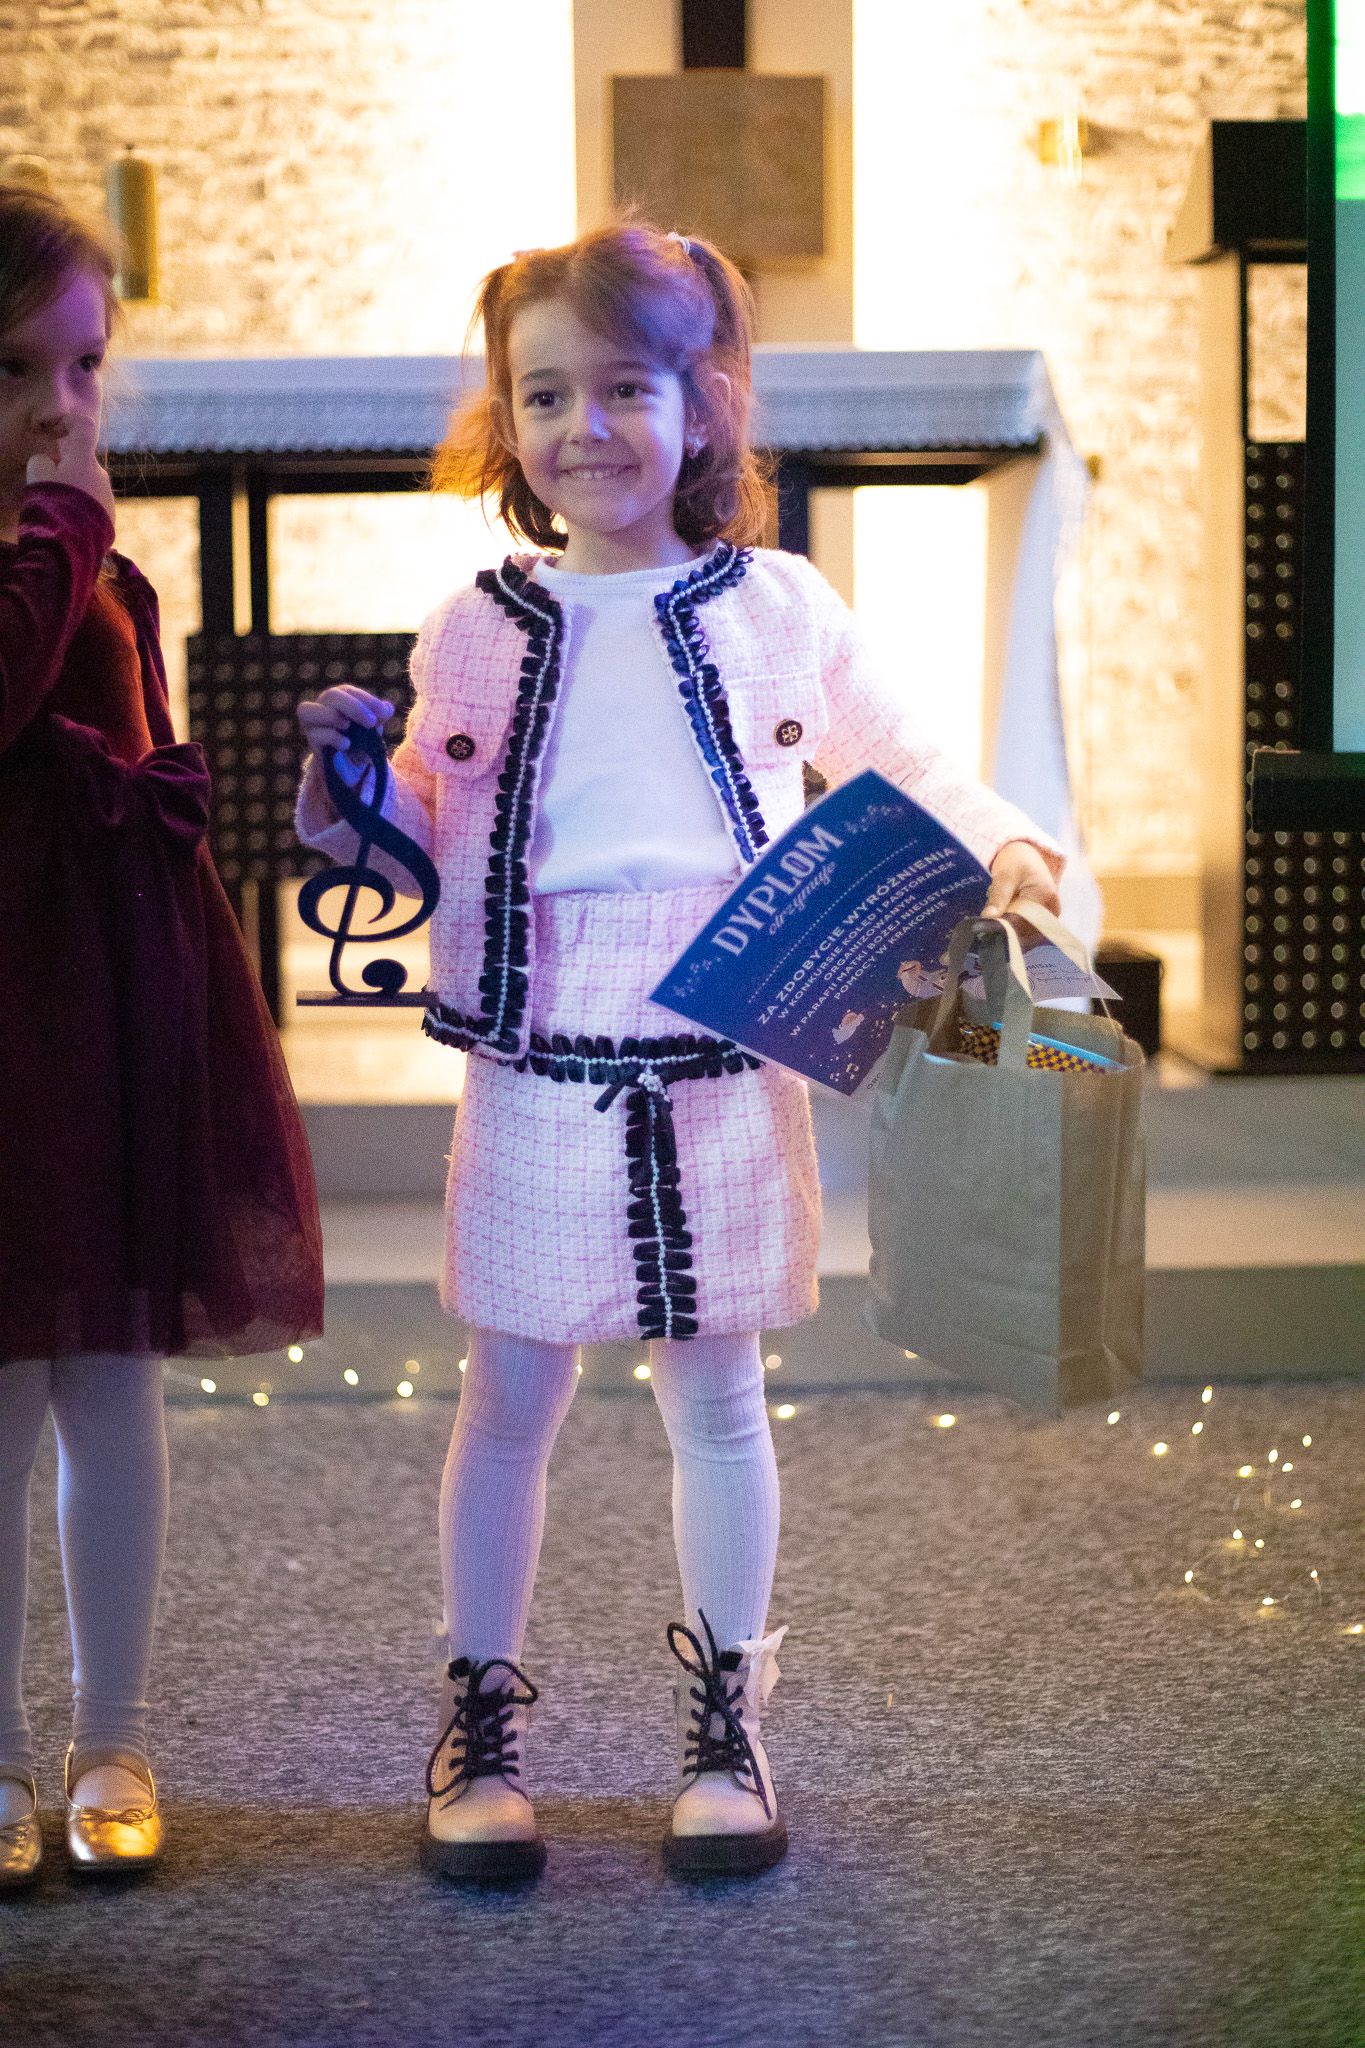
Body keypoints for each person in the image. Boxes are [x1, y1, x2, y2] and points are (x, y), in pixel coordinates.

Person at [296, 221, 1061, 1882]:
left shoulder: (777, 608)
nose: (585, 426)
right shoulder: (470, 627)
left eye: (624, 388)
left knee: (716, 1395)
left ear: (699, 402)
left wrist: (1002, 840)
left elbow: (908, 757)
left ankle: (729, 1723)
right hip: (536, 1056)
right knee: (509, 1395)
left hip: (726, 1046)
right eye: (544, 393)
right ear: (506, 417)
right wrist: (354, 802)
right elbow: (423, 824)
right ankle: (480, 1717)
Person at [0, 177, 324, 1890]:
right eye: (14, 372)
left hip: (111, 1012)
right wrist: (62, 531)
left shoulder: (93, 559)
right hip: (5, 1025)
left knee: (113, 1378)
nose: (61, 411)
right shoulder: (54, 547)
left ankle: (112, 1733)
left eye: (83, 367)